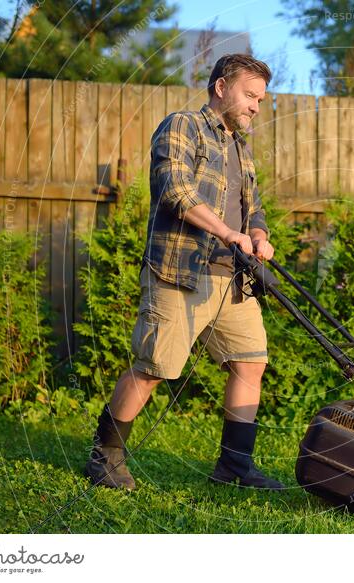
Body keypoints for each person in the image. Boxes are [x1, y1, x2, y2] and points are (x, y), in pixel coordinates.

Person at [84, 54, 283, 491]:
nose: (255, 106)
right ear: (220, 87)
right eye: (249, 95)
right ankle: (105, 457)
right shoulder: (182, 126)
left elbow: (257, 208)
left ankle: (234, 467)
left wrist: (259, 234)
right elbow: (176, 190)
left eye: (260, 99)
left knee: (250, 363)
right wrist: (229, 231)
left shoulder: (240, 149)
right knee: (154, 366)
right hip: (180, 271)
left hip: (231, 277)